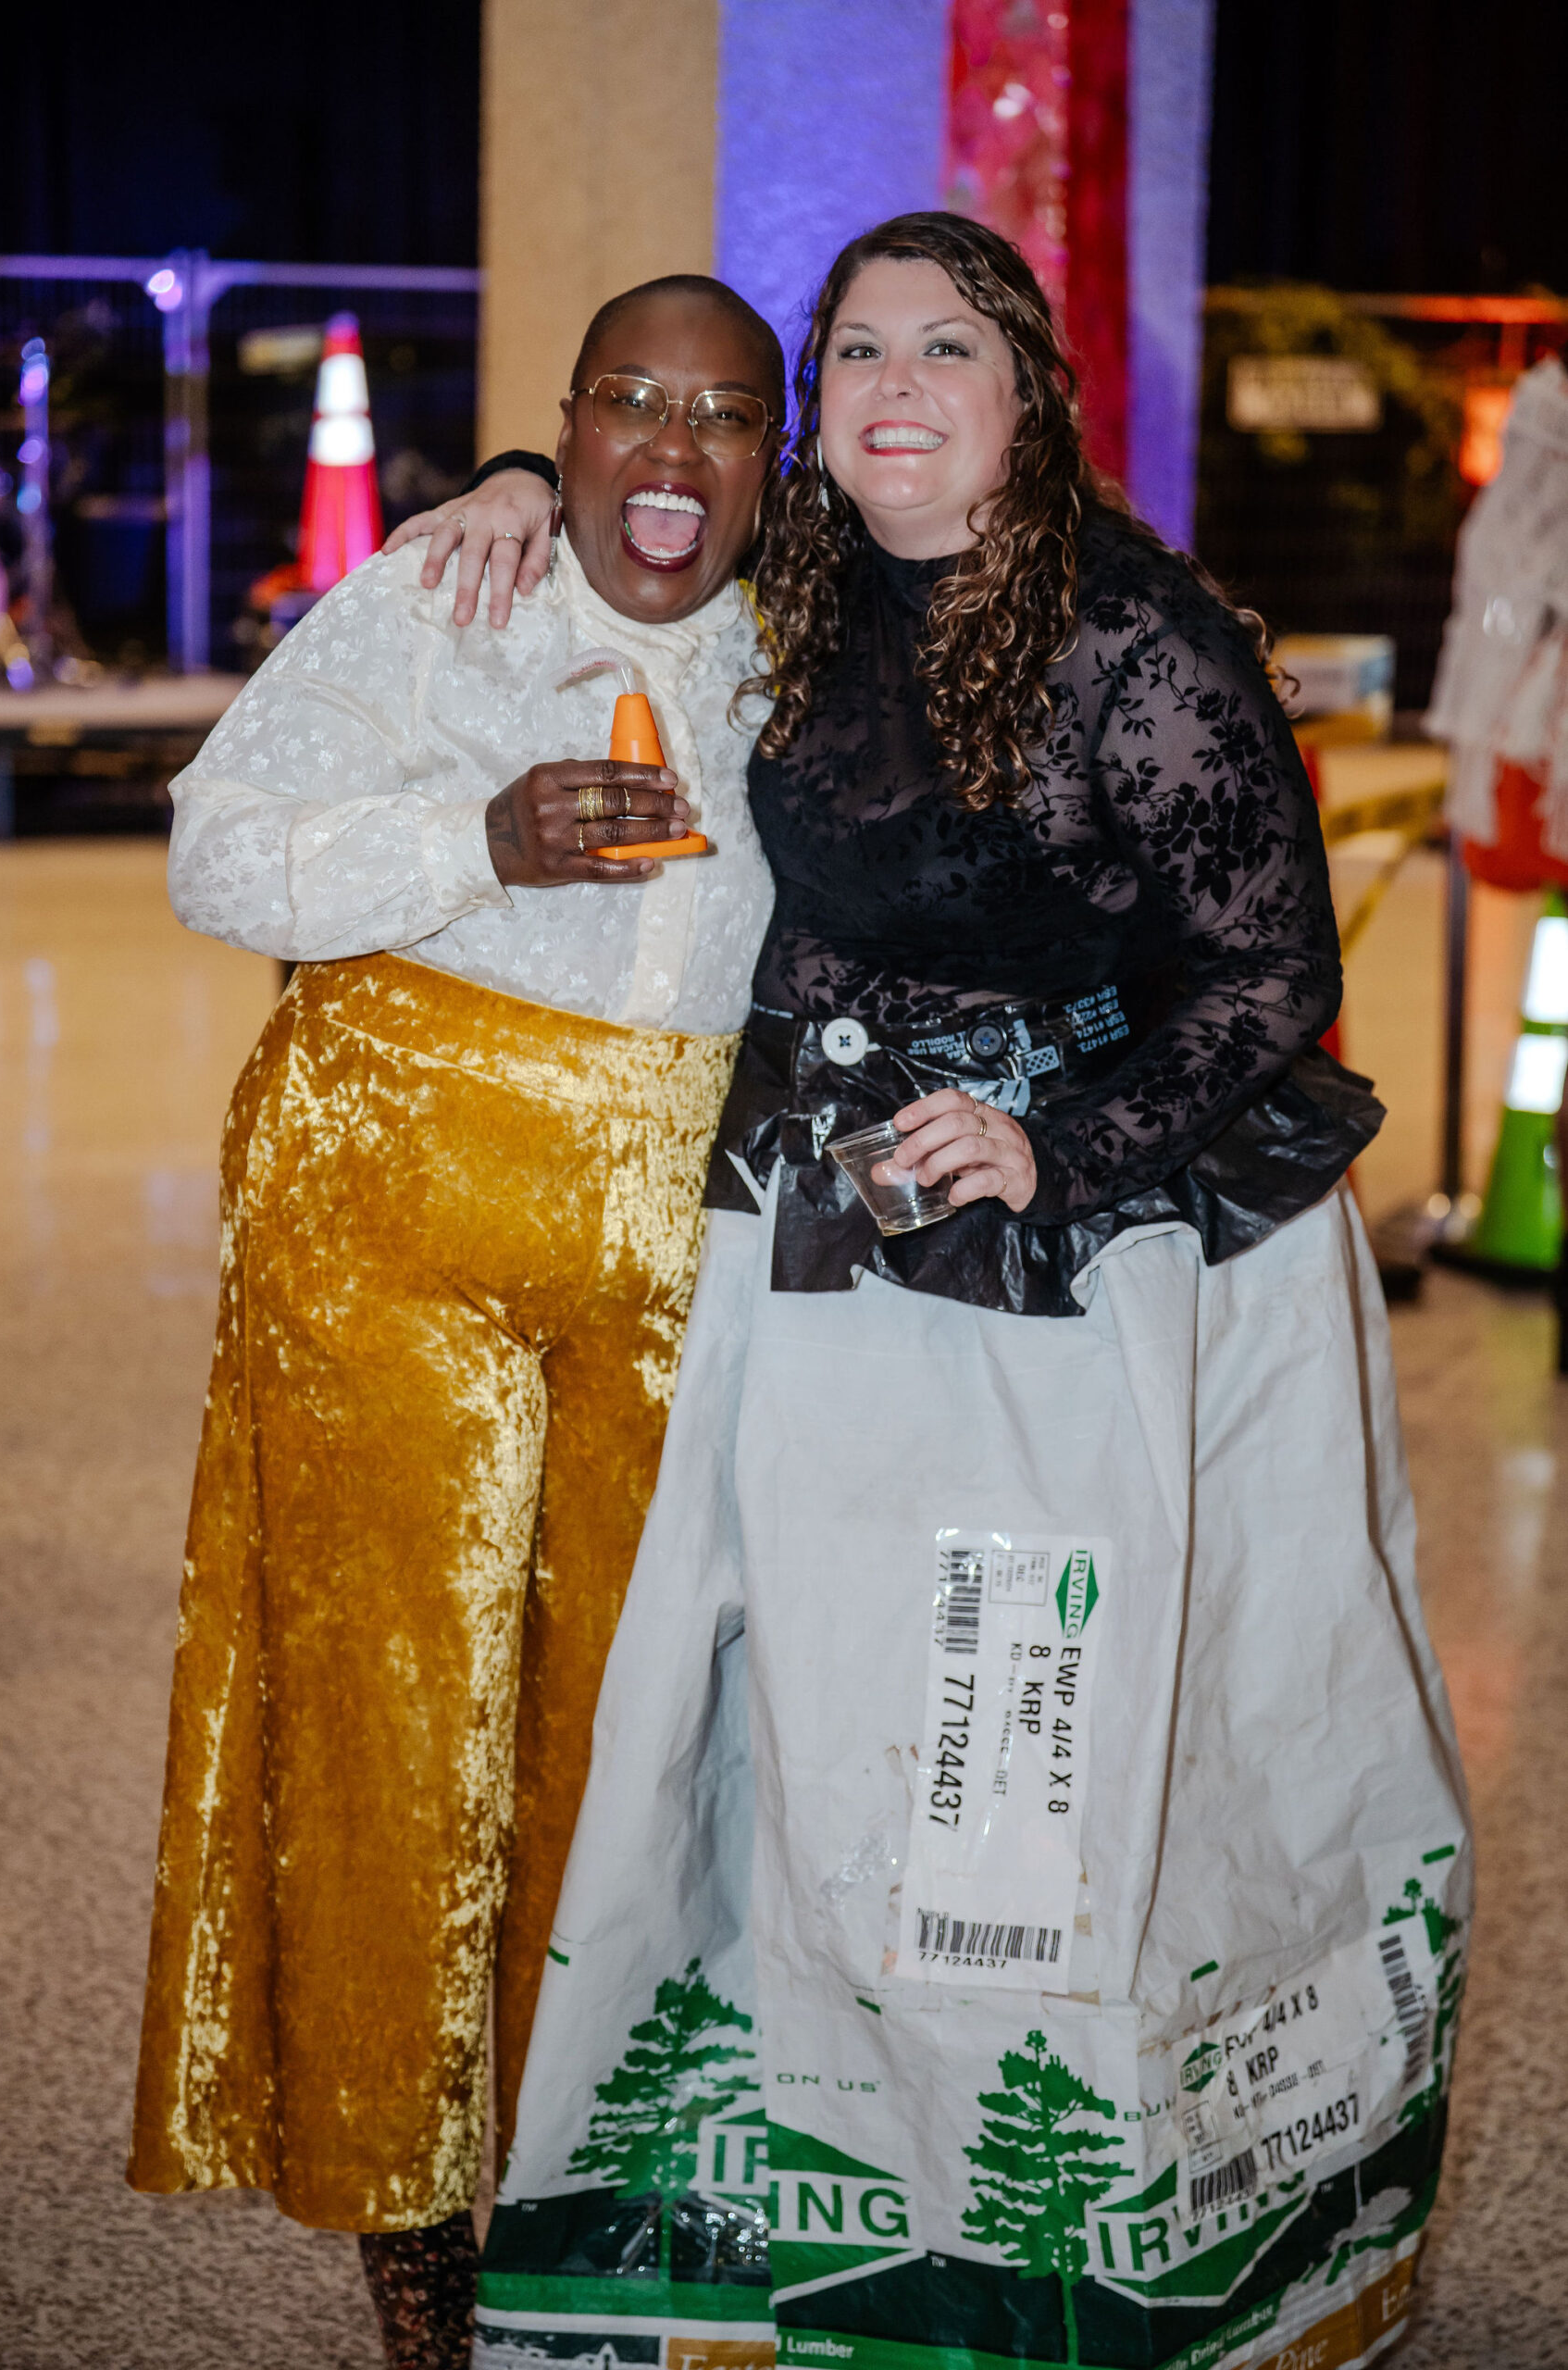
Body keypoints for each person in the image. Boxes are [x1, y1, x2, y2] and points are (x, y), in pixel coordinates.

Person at [424, 214, 1471, 2370]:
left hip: (1096, 1265)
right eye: (855, 354)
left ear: (1027, 399)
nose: (891, 390)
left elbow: (1267, 970)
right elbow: (653, 520)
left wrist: (1053, 1139)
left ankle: (1073, 2250)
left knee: (1037, 1763)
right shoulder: (806, 575)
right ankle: (814, 2204)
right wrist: (524, 482)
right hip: (830, 1231)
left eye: (946, 350)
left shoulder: (1131, 635)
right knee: (822, 1731)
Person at [128, 274, 785, 2370]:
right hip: (391, 1223)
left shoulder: (811, 647)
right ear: (563, 426)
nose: (671, 449)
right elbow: (216, 852)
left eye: (722, 415)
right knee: (397, 1723)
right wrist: (473, 838)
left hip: (674, 1248)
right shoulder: (446, 597)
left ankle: (588, 2170)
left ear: (772, 461)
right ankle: (409, 2214)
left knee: (630, 1728)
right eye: (627, 403)